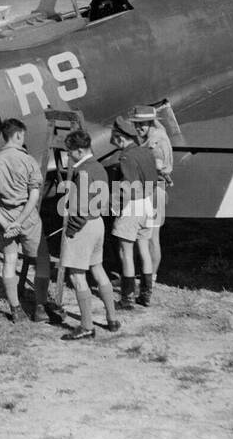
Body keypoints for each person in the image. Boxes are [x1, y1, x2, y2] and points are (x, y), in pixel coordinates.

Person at [53, 129, 120, 340]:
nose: (68, 156)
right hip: (98, 223)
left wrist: (70, 230)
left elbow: (80, 209)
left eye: (70, 152)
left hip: (82, 226)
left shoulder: (82, 171)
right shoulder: (99, 167)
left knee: (76, 275)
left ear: (80, 151)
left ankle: (87, 326)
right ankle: (112, 319)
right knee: (98, 269)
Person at [0, 118, 47, 324]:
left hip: (4, 217)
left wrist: (5, 222)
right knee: (41, 262)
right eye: (23, 135)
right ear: (18, 135)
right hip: (27, 216)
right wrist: (20, 220)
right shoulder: (28, 161)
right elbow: (34, 194)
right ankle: (40, 308)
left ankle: (15, 309)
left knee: (10, 261)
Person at [109, 116, 160, 309]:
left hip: (133, 206)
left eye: (114, 138)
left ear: (120, 137)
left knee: (126, 252)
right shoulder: (146, 152)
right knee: (144, 250)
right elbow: (153, 180)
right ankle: (145, 296)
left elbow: (128, 186)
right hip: (148, 204)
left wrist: (115, 204)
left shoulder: (126, 157)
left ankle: (127, 299)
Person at [130, 104, 173, 280]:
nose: (138, 128)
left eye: (142, 124)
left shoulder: (154, 142)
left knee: (152, 237)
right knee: (146, 237)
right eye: (136, 124)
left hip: (154, 190)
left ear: (151, 122)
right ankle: (146, 276)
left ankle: (151, 279)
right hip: (152, 189)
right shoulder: (157, 133)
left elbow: (157, 166)